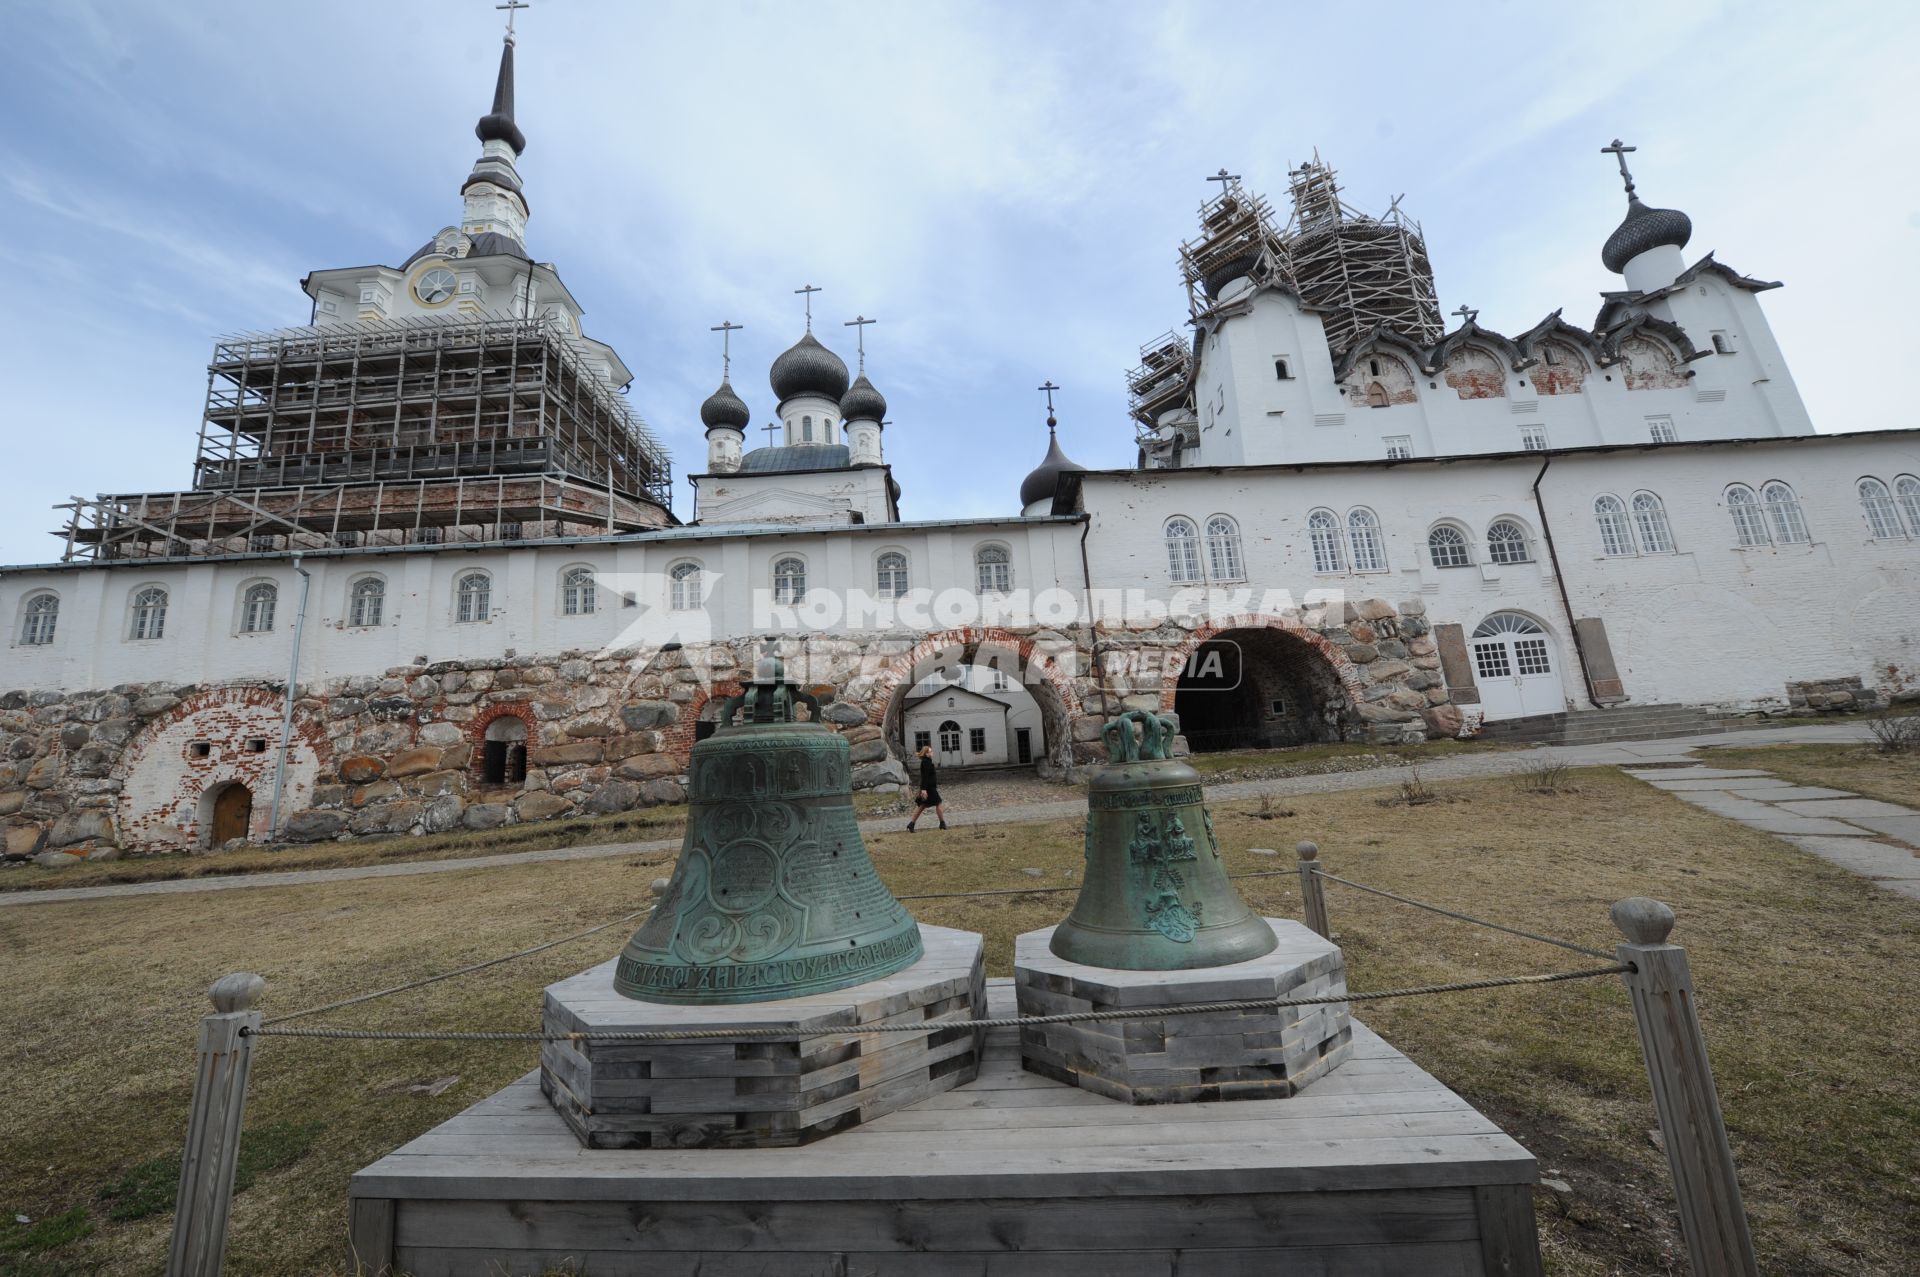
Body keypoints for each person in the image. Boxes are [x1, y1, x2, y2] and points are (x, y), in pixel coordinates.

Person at [906, 744, 947, 831]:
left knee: (922, 806)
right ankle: (942, 823)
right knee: (939, 803)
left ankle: (911, 824)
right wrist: (924, 790)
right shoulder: (926, 762)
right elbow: (925, 776)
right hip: (929, 788)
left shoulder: (927, 761)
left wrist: (923, 789)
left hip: (928, 787)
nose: (932, 752)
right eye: (930, 751)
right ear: (926, 754)